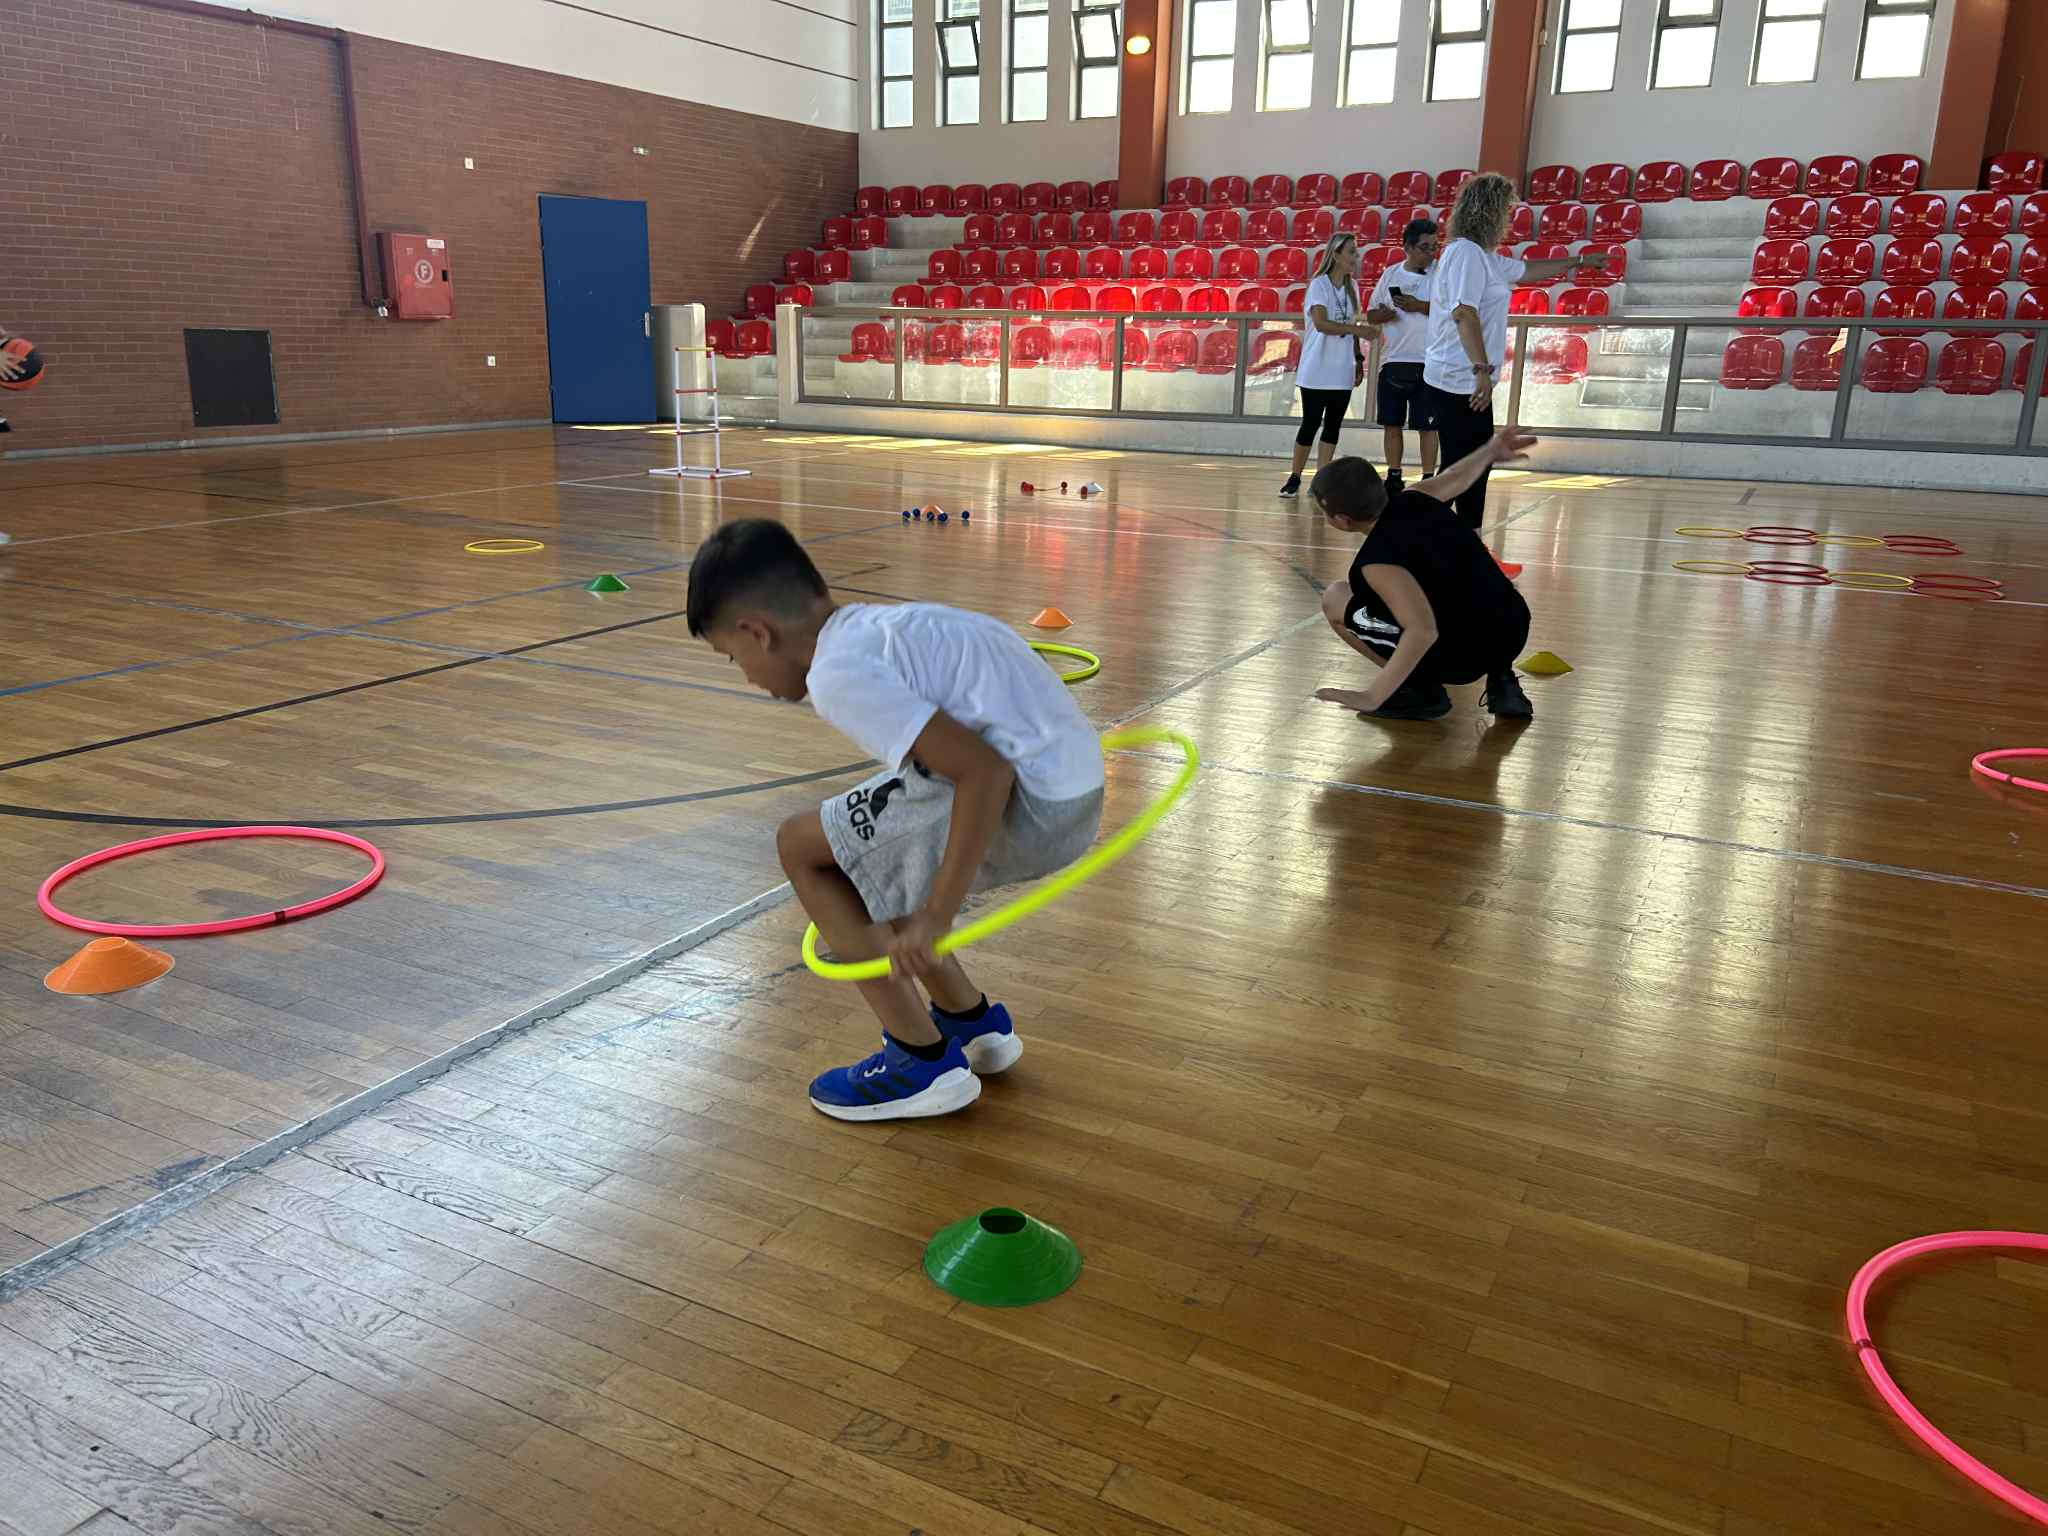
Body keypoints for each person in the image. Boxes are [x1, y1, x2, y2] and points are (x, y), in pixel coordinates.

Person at [686, 519, 1105, 1122]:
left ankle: (919, 1060)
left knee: (801, 847)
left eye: (733, 657)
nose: (746, 675)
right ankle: (971, 1022)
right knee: (872, 847)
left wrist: (937, 913)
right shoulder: (884, 629)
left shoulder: (837, 673)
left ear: (758, 632)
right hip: (1074, 784)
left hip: (1035, 802)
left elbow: (984, 772)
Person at [1308, 427, 1539, 722]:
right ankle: (1503, 681)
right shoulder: (1416, 497)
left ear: (1342, 520)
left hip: (1464, 659)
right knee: (1467, 586)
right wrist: (1490, 451)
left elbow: (1422, 630)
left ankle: (1416, 691)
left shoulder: (1376, 562)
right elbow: (1456, 476)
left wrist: (1372, 696)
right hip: (1513, 631)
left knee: (1336, 598)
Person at [1421, 173, 1608, 529]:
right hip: (1458, 377)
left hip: (1470, 377)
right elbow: (1464, 313)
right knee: (1464, 466)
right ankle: (1425, 536)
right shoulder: (1465, 254)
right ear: (1488, 211)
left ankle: (1462, 539)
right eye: (1505, 210)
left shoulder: (1485, 257)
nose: (1509, 218)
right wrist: (1480, 369)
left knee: (1474, 464)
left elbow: (1528, 270)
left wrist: (1579, 262)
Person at [1280, 232, 1379, 499]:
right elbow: (1322, 323)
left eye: (1356, 251)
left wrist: (1358, 358)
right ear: (1335, 255)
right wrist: (1357, 330)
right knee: (1310, 423)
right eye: (1351, 252)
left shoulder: (1352, 287)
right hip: (1317, 367)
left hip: (1342, 368)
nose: (1356, 257)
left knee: (1333, 425)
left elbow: (1352, 326)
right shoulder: (1319, 285)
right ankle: (1295, 476)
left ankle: (1320, 481)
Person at [1365, 217, 1441, 498]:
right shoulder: (1390, 275)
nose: (1430, 253)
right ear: (1407, 247)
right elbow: (1371, 314)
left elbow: (1453, 311)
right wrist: (1384, 314)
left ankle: (1429, 478)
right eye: (1425, 247)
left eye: (1434, 247)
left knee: (1428, 426)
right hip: (1394, 360)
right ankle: (1394, 475)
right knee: (1392, 423)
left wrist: (1419, 306)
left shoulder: (1441, 274)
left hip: (1430, 361)